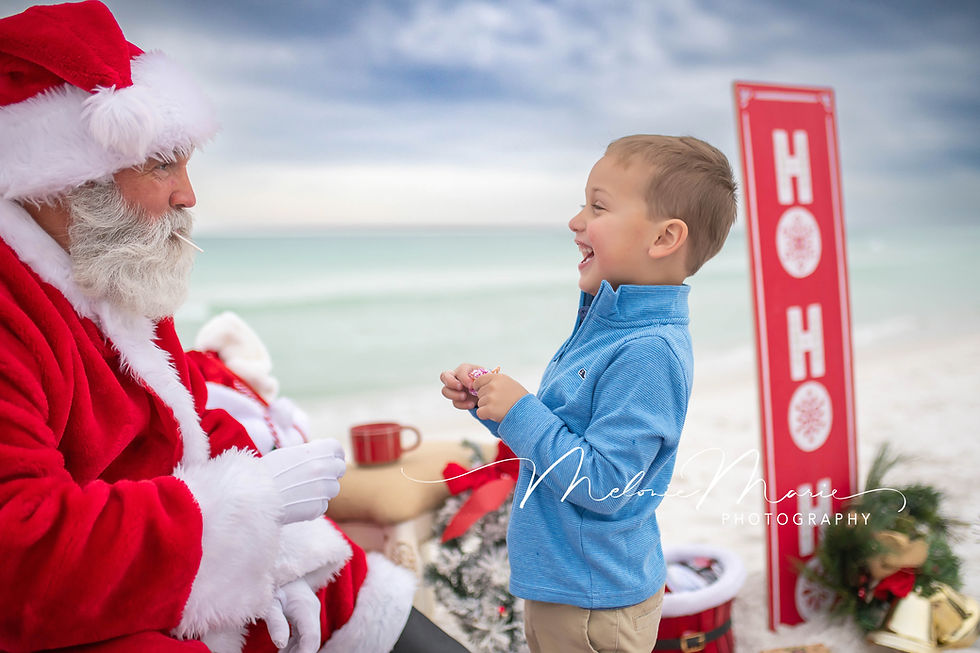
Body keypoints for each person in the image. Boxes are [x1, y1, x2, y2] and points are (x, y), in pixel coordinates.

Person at [0, 2, 464, 652]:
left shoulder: (106, 272)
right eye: (162, 164)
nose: (188, 194)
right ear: (59, 176)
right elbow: (19, 557)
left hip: (160, 560)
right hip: (80, 606)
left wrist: (271, 503)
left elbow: (182, 425)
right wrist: (246, 504)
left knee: (353, 586)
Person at [439, 134, 737, 653]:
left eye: (597, 206)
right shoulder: (607, 322)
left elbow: (605, 483)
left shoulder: (648, 351)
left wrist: (521, 411)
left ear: (665, 238)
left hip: (593, 602)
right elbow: (565, 432)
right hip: (565, 586)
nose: (576, 221)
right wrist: (494, 406)